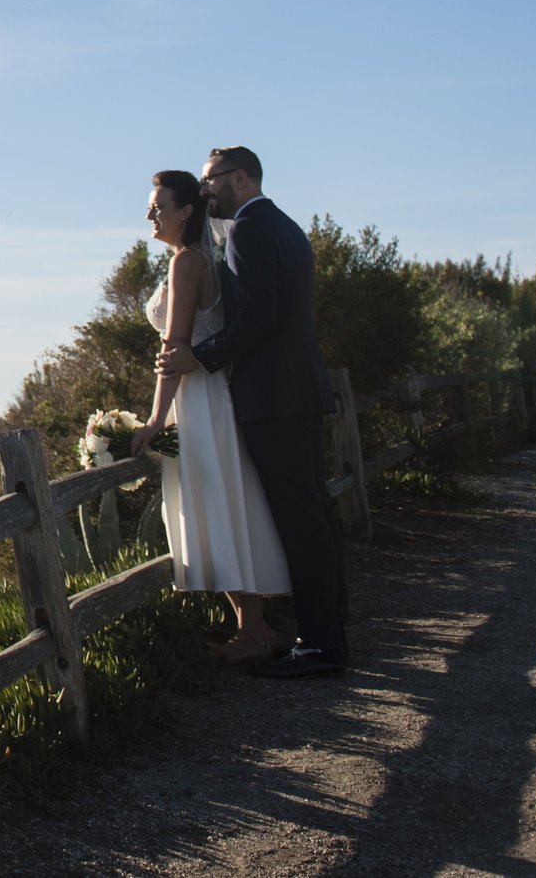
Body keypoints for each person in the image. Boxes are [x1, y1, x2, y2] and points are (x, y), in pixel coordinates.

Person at [157, 146, 349, 678]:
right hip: (297, 392)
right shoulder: (285, 226)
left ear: (240, 177)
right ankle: (329, 631)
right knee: (314, 518)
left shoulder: (246, 230)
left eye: (210, 180)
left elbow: (260, 320)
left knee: (301, 520)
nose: (205, 191)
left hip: (274, 399)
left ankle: (320, 645)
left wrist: (202, 356)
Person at [131, 169, 290, 660]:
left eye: (159, 206)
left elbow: (174, 346)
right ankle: (253, 629)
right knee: (222, 503)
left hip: (197, 399)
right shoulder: (202, 257)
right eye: (150, 206)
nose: (150, 215)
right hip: (209, 394)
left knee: (216, 506)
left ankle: (253, 631)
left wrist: (157, 420)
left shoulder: (186, 263)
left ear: (186, 211)